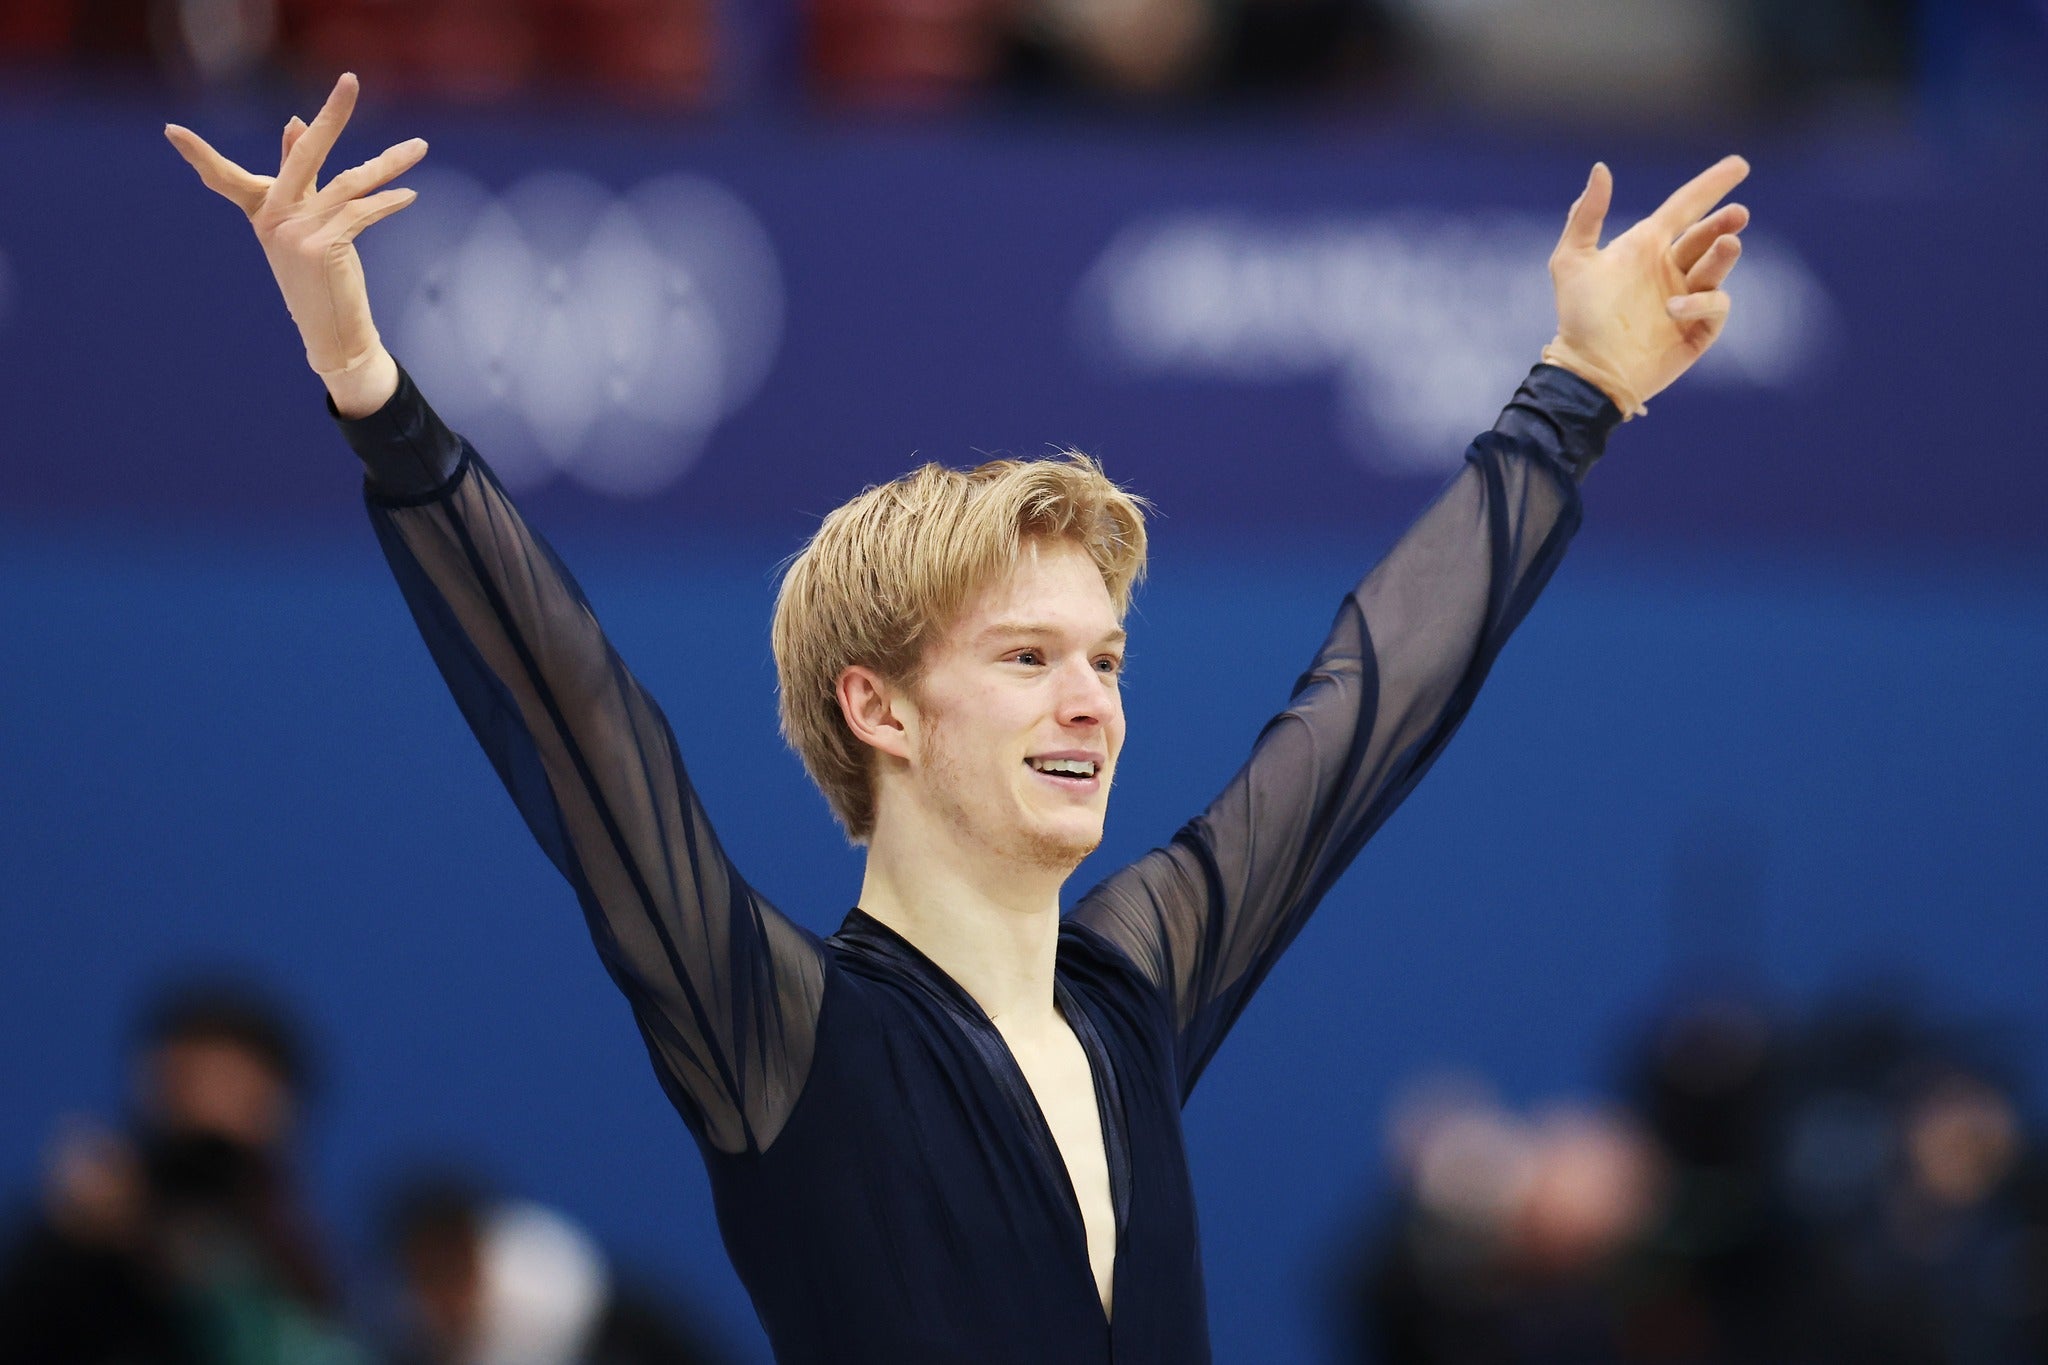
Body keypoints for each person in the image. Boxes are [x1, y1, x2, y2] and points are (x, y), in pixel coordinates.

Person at [165, 72, 1749, 1363]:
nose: (1092, 703)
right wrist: (370, 382)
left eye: (1110, 661)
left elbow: (1363, 713)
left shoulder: (1134, 991)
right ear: (880, 708)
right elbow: (578, 723)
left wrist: (1579, 392)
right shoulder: (783, 1037)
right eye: (1027, 660)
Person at [0, 979, 359, 1365]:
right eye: (192, 1082)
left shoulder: (304, 1269)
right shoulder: (86, 1225)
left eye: (242, 1089)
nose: (215, 1107)